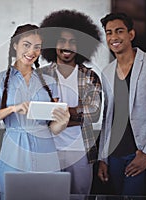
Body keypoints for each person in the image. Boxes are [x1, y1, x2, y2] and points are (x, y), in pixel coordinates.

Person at [0, 24, 70, 193]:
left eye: (37, 47)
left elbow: (53, 129)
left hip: (46, 153)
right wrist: (12, 109)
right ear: (15, 45)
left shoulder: (49, 81)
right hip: (13, 153)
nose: (31, 52)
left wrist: (62, 122)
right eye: (26, 45)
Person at [97, 12, 146, 196]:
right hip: (113, 156)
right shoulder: (107, 72)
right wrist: (103, 158)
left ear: (131, 34)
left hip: (140, 154)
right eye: (109, 33)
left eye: (119, 31)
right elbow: (108, 118)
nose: (114, 37)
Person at [39, 9, 102, 195]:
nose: (67, 46)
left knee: (80, 195)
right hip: (48, 149)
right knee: (50, 197)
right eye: (62, 40)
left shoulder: (90, 76)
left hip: (81, 151)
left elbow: (94, 113)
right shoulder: (40, 76)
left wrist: (59, 113)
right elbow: (38, 115)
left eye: (73, 42)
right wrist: (76, 115)